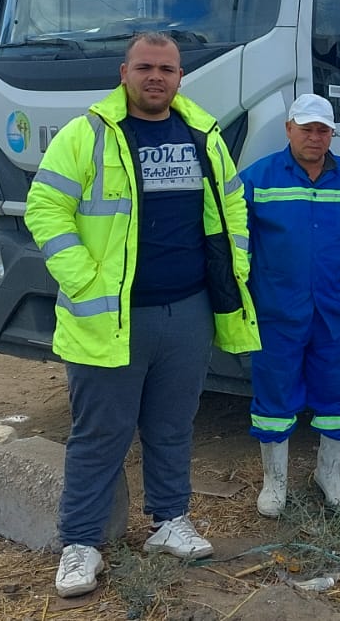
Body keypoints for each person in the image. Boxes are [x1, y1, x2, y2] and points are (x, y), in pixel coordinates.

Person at [25, 32, 259, 598]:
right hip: (112, 317)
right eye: (146, 67)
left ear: (180, 78)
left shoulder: (202, 134)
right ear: (124, 73)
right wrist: (83, 279)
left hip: (188, 311)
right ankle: (80, 542)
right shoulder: (88, 134)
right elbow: (45, 206)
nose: (156, 77)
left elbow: (231, 204)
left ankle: (169, 520)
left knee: (173, 426)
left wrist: (237, 267)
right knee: (99, 434)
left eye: (167, 70)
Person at [240, 93, 340, 517]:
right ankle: (274, 482)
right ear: (289, 128)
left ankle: (329, 474)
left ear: (332, 133)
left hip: (334, 313)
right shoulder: (258, 178)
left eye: (323, 130)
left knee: (338, 395)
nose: (315, 137)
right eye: (307, 129)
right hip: (278, 311)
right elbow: (237, 242)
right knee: (274, 398)